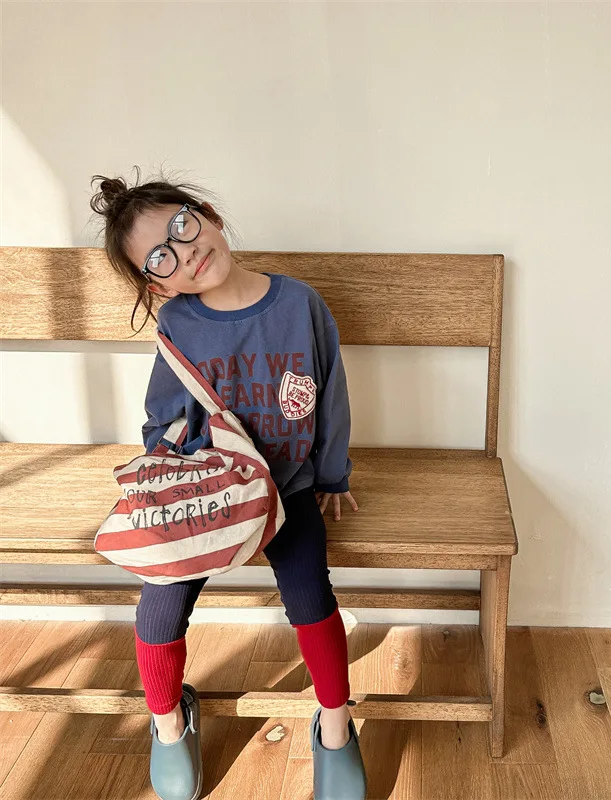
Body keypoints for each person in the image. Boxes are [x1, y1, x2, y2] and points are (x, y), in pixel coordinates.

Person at [90, 170, 367, 800]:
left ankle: (335, 725)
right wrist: (168, 474)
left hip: (288, 486)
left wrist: (332, 474)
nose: (184, 251)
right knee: (159, 605)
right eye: (160, 256)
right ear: (156, 283)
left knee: (311, 596)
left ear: (208, 215)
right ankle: (167, 725)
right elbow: (163, 416)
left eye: (182, 226)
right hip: (209, 494)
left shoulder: (299, 304)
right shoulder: (178, 323)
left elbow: (331, 392)